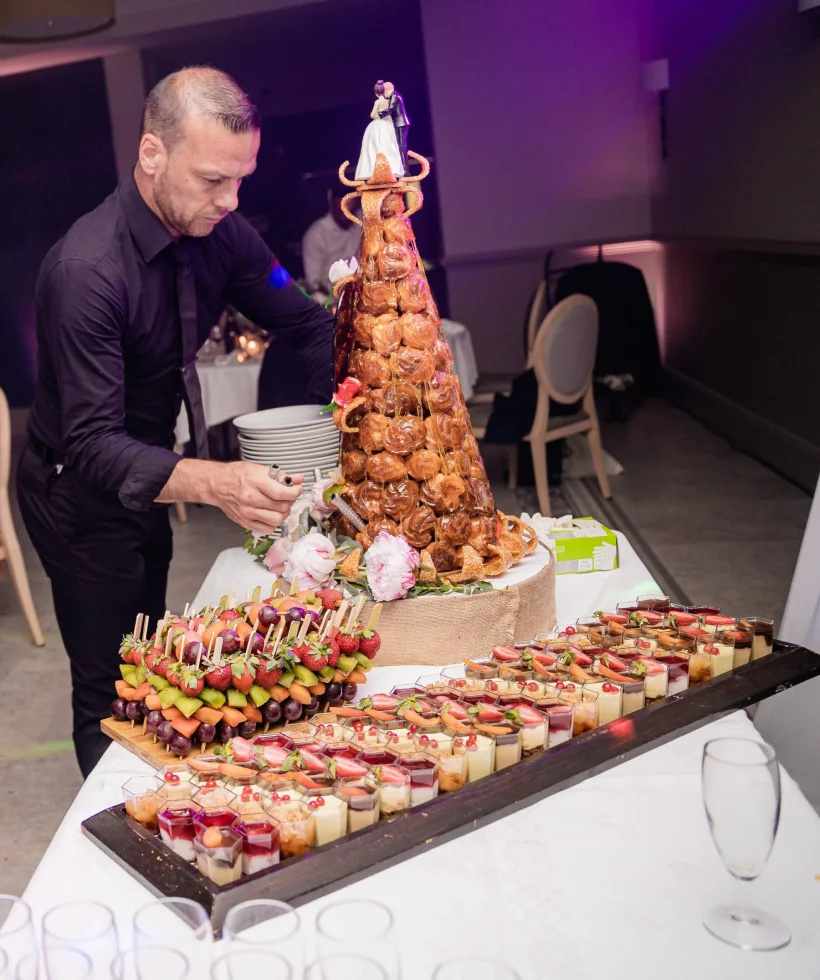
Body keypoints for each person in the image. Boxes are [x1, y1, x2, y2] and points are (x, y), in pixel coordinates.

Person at [17, 66, 334, 778]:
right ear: (151, 153)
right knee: (111, 691)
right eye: (213, 180)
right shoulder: (86, 271)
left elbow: (303, 320)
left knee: (152, 662)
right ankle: (125, 825)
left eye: (241, 180)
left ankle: (168, 799)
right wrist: (217, 482)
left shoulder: (222, 232)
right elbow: (93, 445)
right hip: (77, 494)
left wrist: (353, 413)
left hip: (149, 470)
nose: (232, 201)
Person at [301, 189, 361, 304]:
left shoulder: (362, 222)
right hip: (330, 300)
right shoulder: (316, 234)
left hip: (361, 295)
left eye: (350, 211)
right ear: (331, 202)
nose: (346, 216)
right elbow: (314, 283)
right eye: (341, 211)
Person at [354, 81, 403, 181]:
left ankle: (373, 169)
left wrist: (377, 115)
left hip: (379, 124)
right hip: (388, 124)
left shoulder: (378, 102)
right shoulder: (388, 101)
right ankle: (393, 168)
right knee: (389, 145)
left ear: (376, 93)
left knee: (375, 145)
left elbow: (372, 115)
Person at [378, 81, 411, 176]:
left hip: (400, 124)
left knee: (401, 146)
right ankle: (402, 169)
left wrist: (380, 114)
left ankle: (405, 170)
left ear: (388, 89)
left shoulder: (394, 96)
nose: (383, 94)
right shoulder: (394, 96)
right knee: (399, 146)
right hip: (398, 124)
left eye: (383, 91)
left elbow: (391, 108)